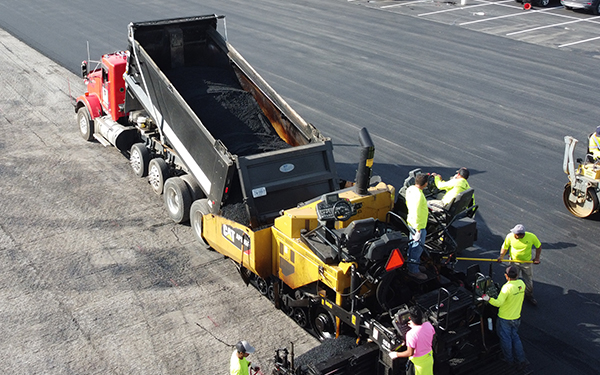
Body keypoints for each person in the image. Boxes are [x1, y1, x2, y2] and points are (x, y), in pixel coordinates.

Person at [482, 266, 528, 370]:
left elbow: (498, 303)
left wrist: (488, 298)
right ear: (517, 275)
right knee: (515, 337)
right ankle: (521, 359)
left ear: (506, 276)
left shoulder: (507, 288)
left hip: (505, 318)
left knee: (505, 339)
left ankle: (509, 360)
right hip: (516, 317)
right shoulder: (521, 284)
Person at [497, 224, 541, 306]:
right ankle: (509, 294)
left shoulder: (531, 237)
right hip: (514, 262)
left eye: (516, 234)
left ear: (522, 235)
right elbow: (505, 247)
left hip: (526, 263)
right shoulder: (510, 236)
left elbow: (538, 246)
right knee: (511, 279)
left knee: (528, 280)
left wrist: (537, 258)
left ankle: (529, 295)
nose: (514, 235)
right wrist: (501, 256)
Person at [388, 305, 435, 375]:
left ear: (410, 318)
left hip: (417, 364)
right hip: (429, 358)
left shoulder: (411, 334)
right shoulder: (428, 325)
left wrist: (396, 354)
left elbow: (410, 353)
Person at [405, 173, 429, 280]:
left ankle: (414, 264)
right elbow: (417, 213)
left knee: (412, 246)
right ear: (425, 184)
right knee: (417, 248)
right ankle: (413, 270)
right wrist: (418, 230)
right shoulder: (419, 196)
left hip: (411, 222)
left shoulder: (411, 189)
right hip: (418, 226)